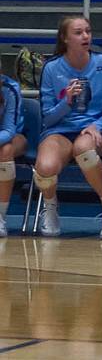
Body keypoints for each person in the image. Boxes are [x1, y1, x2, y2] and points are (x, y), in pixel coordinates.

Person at [34, 16, 102, 238]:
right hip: (59, 131)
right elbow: (48, 119)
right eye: (79, 32)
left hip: (92, 131)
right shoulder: (52, 68)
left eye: (88, 32)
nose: (85, 36)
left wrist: (97, 125)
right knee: (45, 166)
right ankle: (51, 206)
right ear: (65, 38)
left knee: (83, 148)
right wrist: (66, 102)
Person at [0, 71, 24, 237]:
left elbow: (9, 130)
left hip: (13, 136)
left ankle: (0, 215)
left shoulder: (10, 88)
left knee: (5, 150)